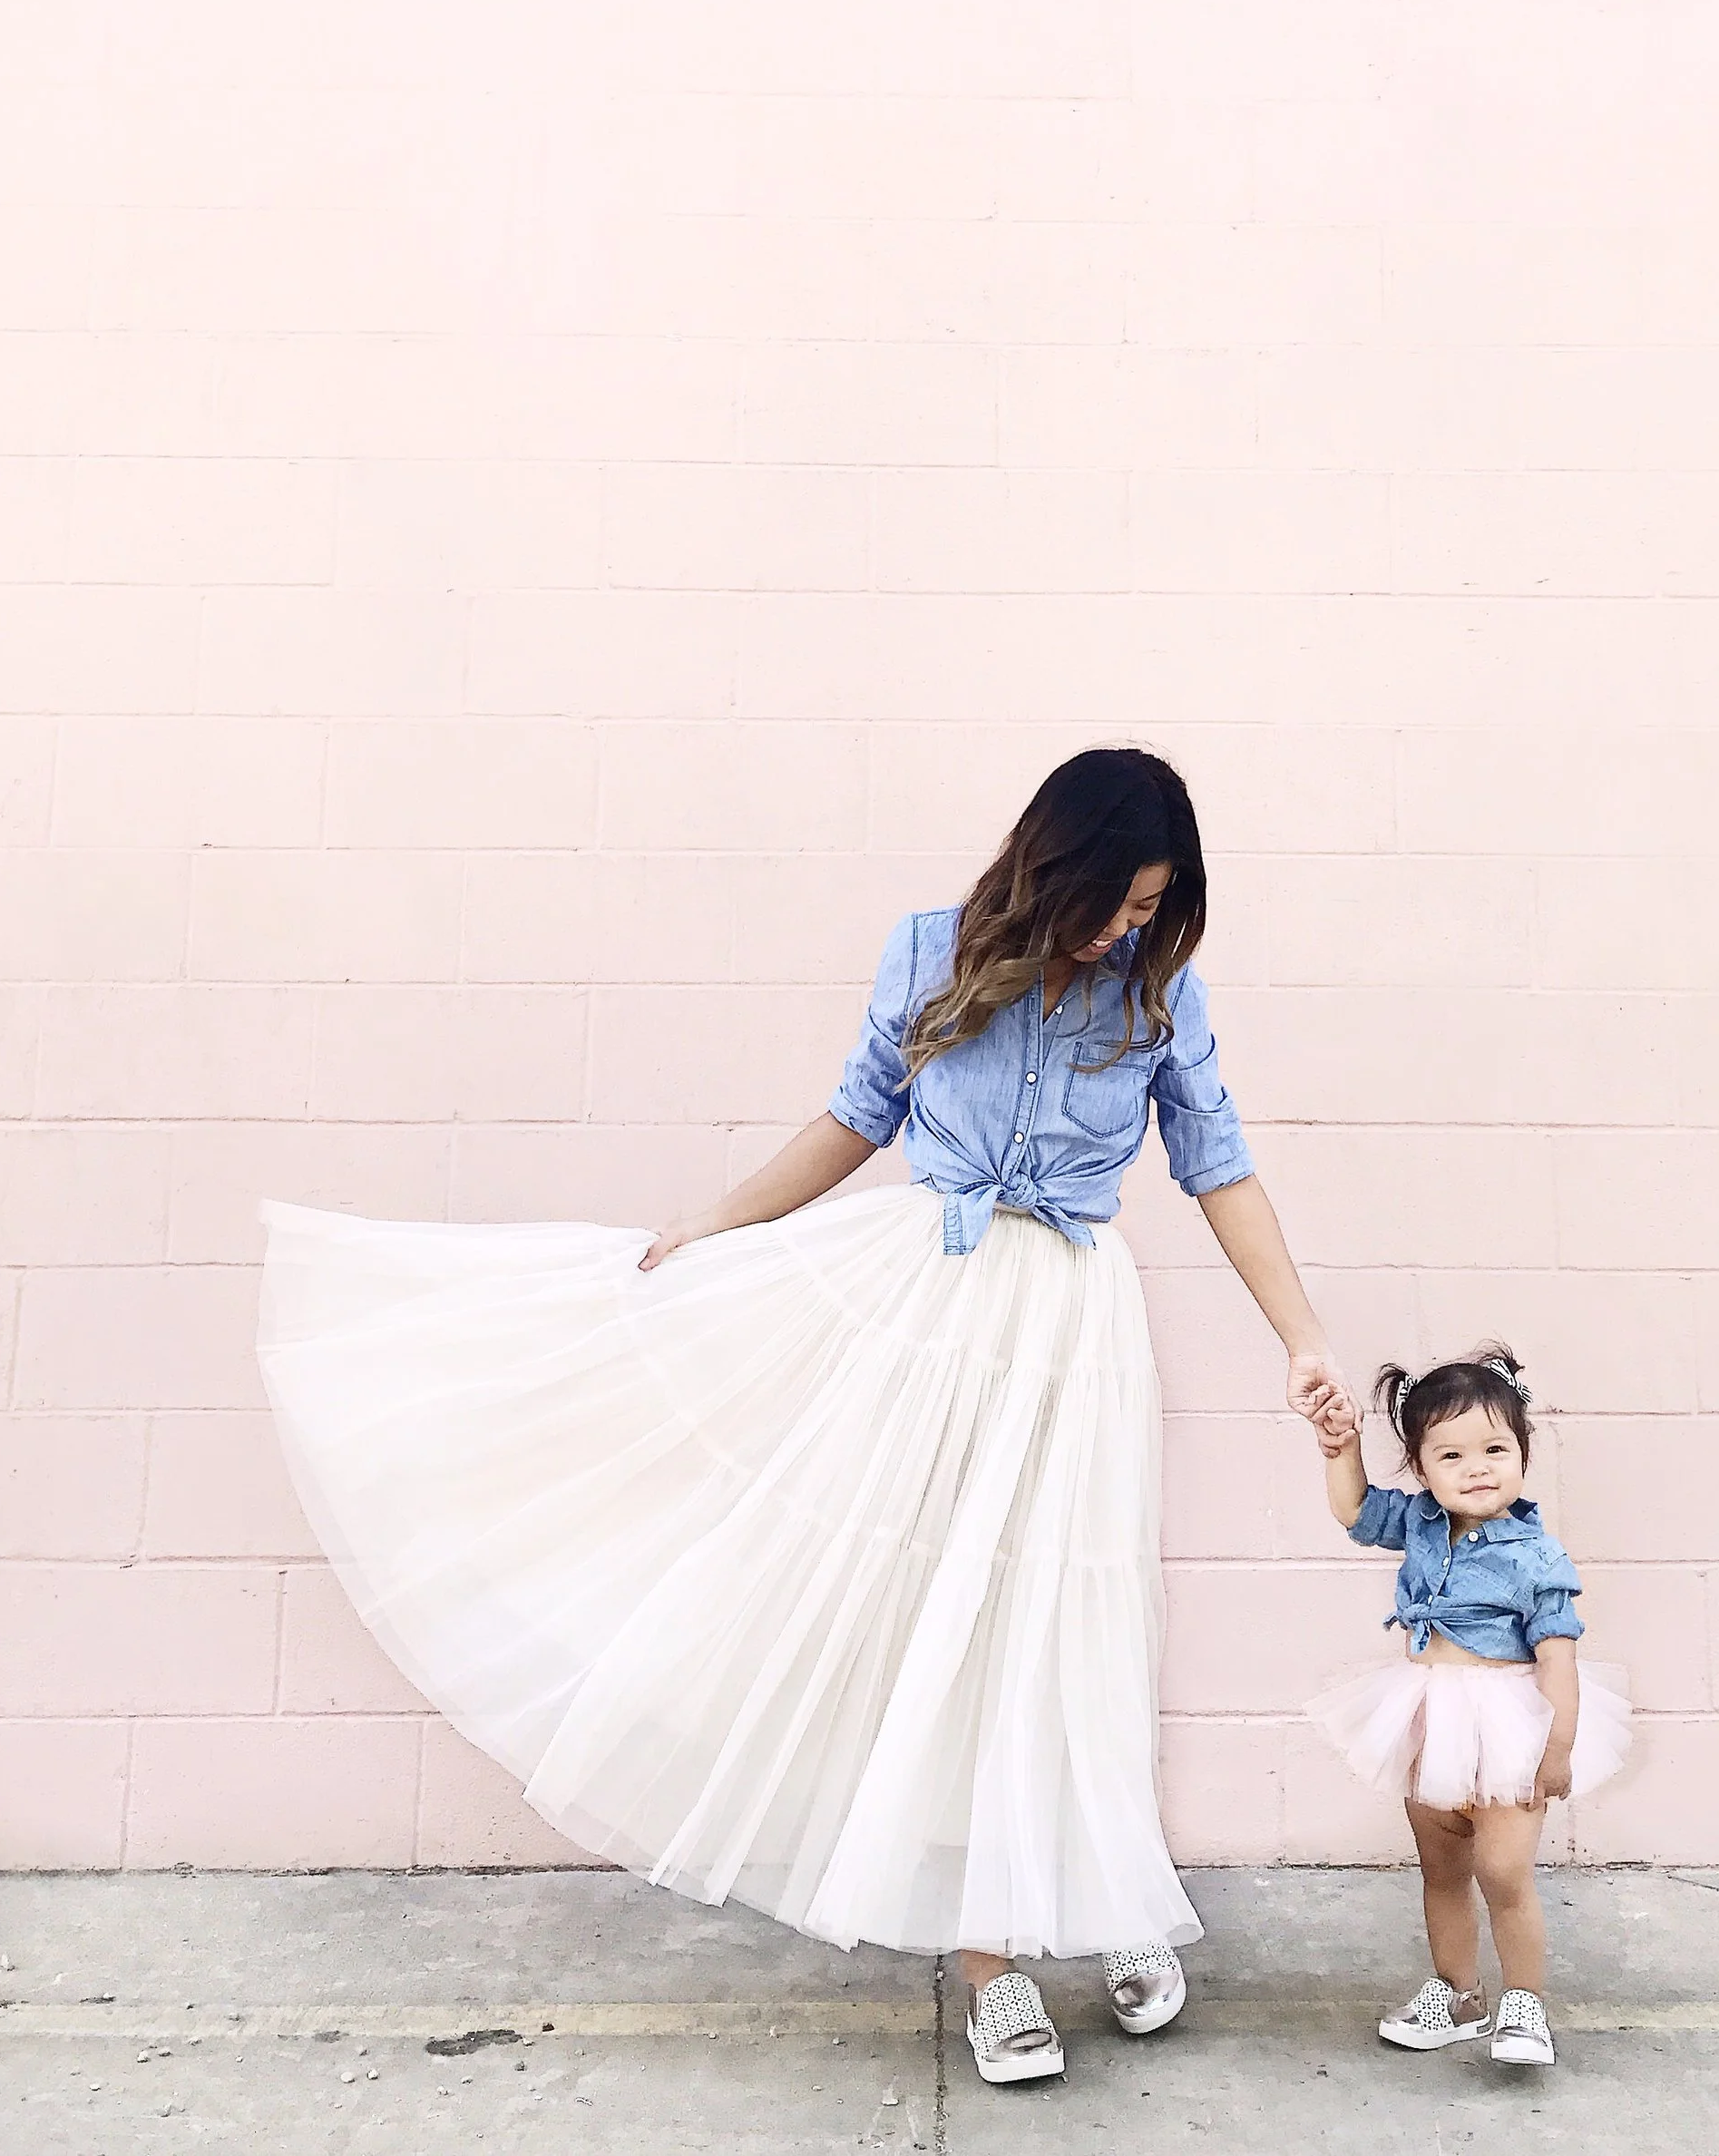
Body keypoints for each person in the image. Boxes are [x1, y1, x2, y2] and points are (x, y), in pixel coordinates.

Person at [259, 746, 1354, 2089]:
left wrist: (1301, 1336)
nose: (1131, 927)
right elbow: (854, 1120)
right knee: (934, 1627)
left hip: (1072, 1327)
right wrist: (714, 1226)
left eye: (1150, 907)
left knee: (1070, 1621)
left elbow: (1220, 1166)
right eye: (1120, 900)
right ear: (1054, 865)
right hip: (929, 1302)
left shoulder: (1159, 997)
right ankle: (987, 1952)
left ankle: (1104, 1893)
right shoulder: (929, 953)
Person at [1305, 1348, 1632, 2071]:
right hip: (1429, 1714)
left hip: (1510, 1724)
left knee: (1504, 1871)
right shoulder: (1421, 1522)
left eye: (1495, 1448)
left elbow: (1558, 1656)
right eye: (1450, 1454)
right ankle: (1457, 1993)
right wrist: (1342, 1448)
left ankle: (1525, 2003)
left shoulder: (1536, 1555)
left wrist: (1558, 1747)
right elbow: (1354, 1510)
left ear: (1522, 1451)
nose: (1476, 1466)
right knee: (1441, 1864)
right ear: (1422, 1469)